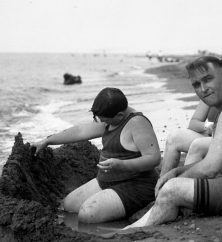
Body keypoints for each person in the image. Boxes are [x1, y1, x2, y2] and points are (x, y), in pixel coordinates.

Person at [126, 56, 222, 227]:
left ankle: (129, 232)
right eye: (196, 84)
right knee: (175, 183)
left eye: (208, 79)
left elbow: (210, 168)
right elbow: (217, 159)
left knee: (172, 190)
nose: (203, 89)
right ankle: (165, 211)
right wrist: (176, 171)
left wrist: (175, 181)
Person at [31, 88, 160, 223]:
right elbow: (80, 131)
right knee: (69, 205)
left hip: (137, 185)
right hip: (107, 181)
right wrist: (48, 141)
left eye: (105, 120)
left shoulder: (137, 123)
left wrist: (121, 165)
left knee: (87, 214)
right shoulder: (111, 117)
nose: (102, 123)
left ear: (120, 115)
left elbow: (153, 158)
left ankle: (124, 219)